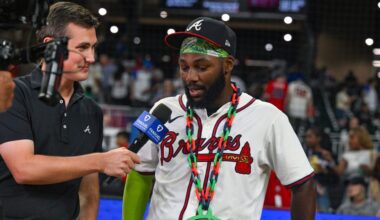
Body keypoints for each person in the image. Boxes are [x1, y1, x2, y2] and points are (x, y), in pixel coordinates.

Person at [123, 17, 316, 220]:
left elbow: (303, 183)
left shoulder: (268, 118)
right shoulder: (162, 110)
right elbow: (139, 173)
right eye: (184, 66)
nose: (190, 77)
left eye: (202, 67)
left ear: (227, 65)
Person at [0, 2, 140, 219]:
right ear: (50, 47)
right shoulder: (13, 95)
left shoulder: (91, 110)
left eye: (93, 47)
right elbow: (24, 169)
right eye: (82, 48)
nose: (91, 58)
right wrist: (100, 161)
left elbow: (88, 191)